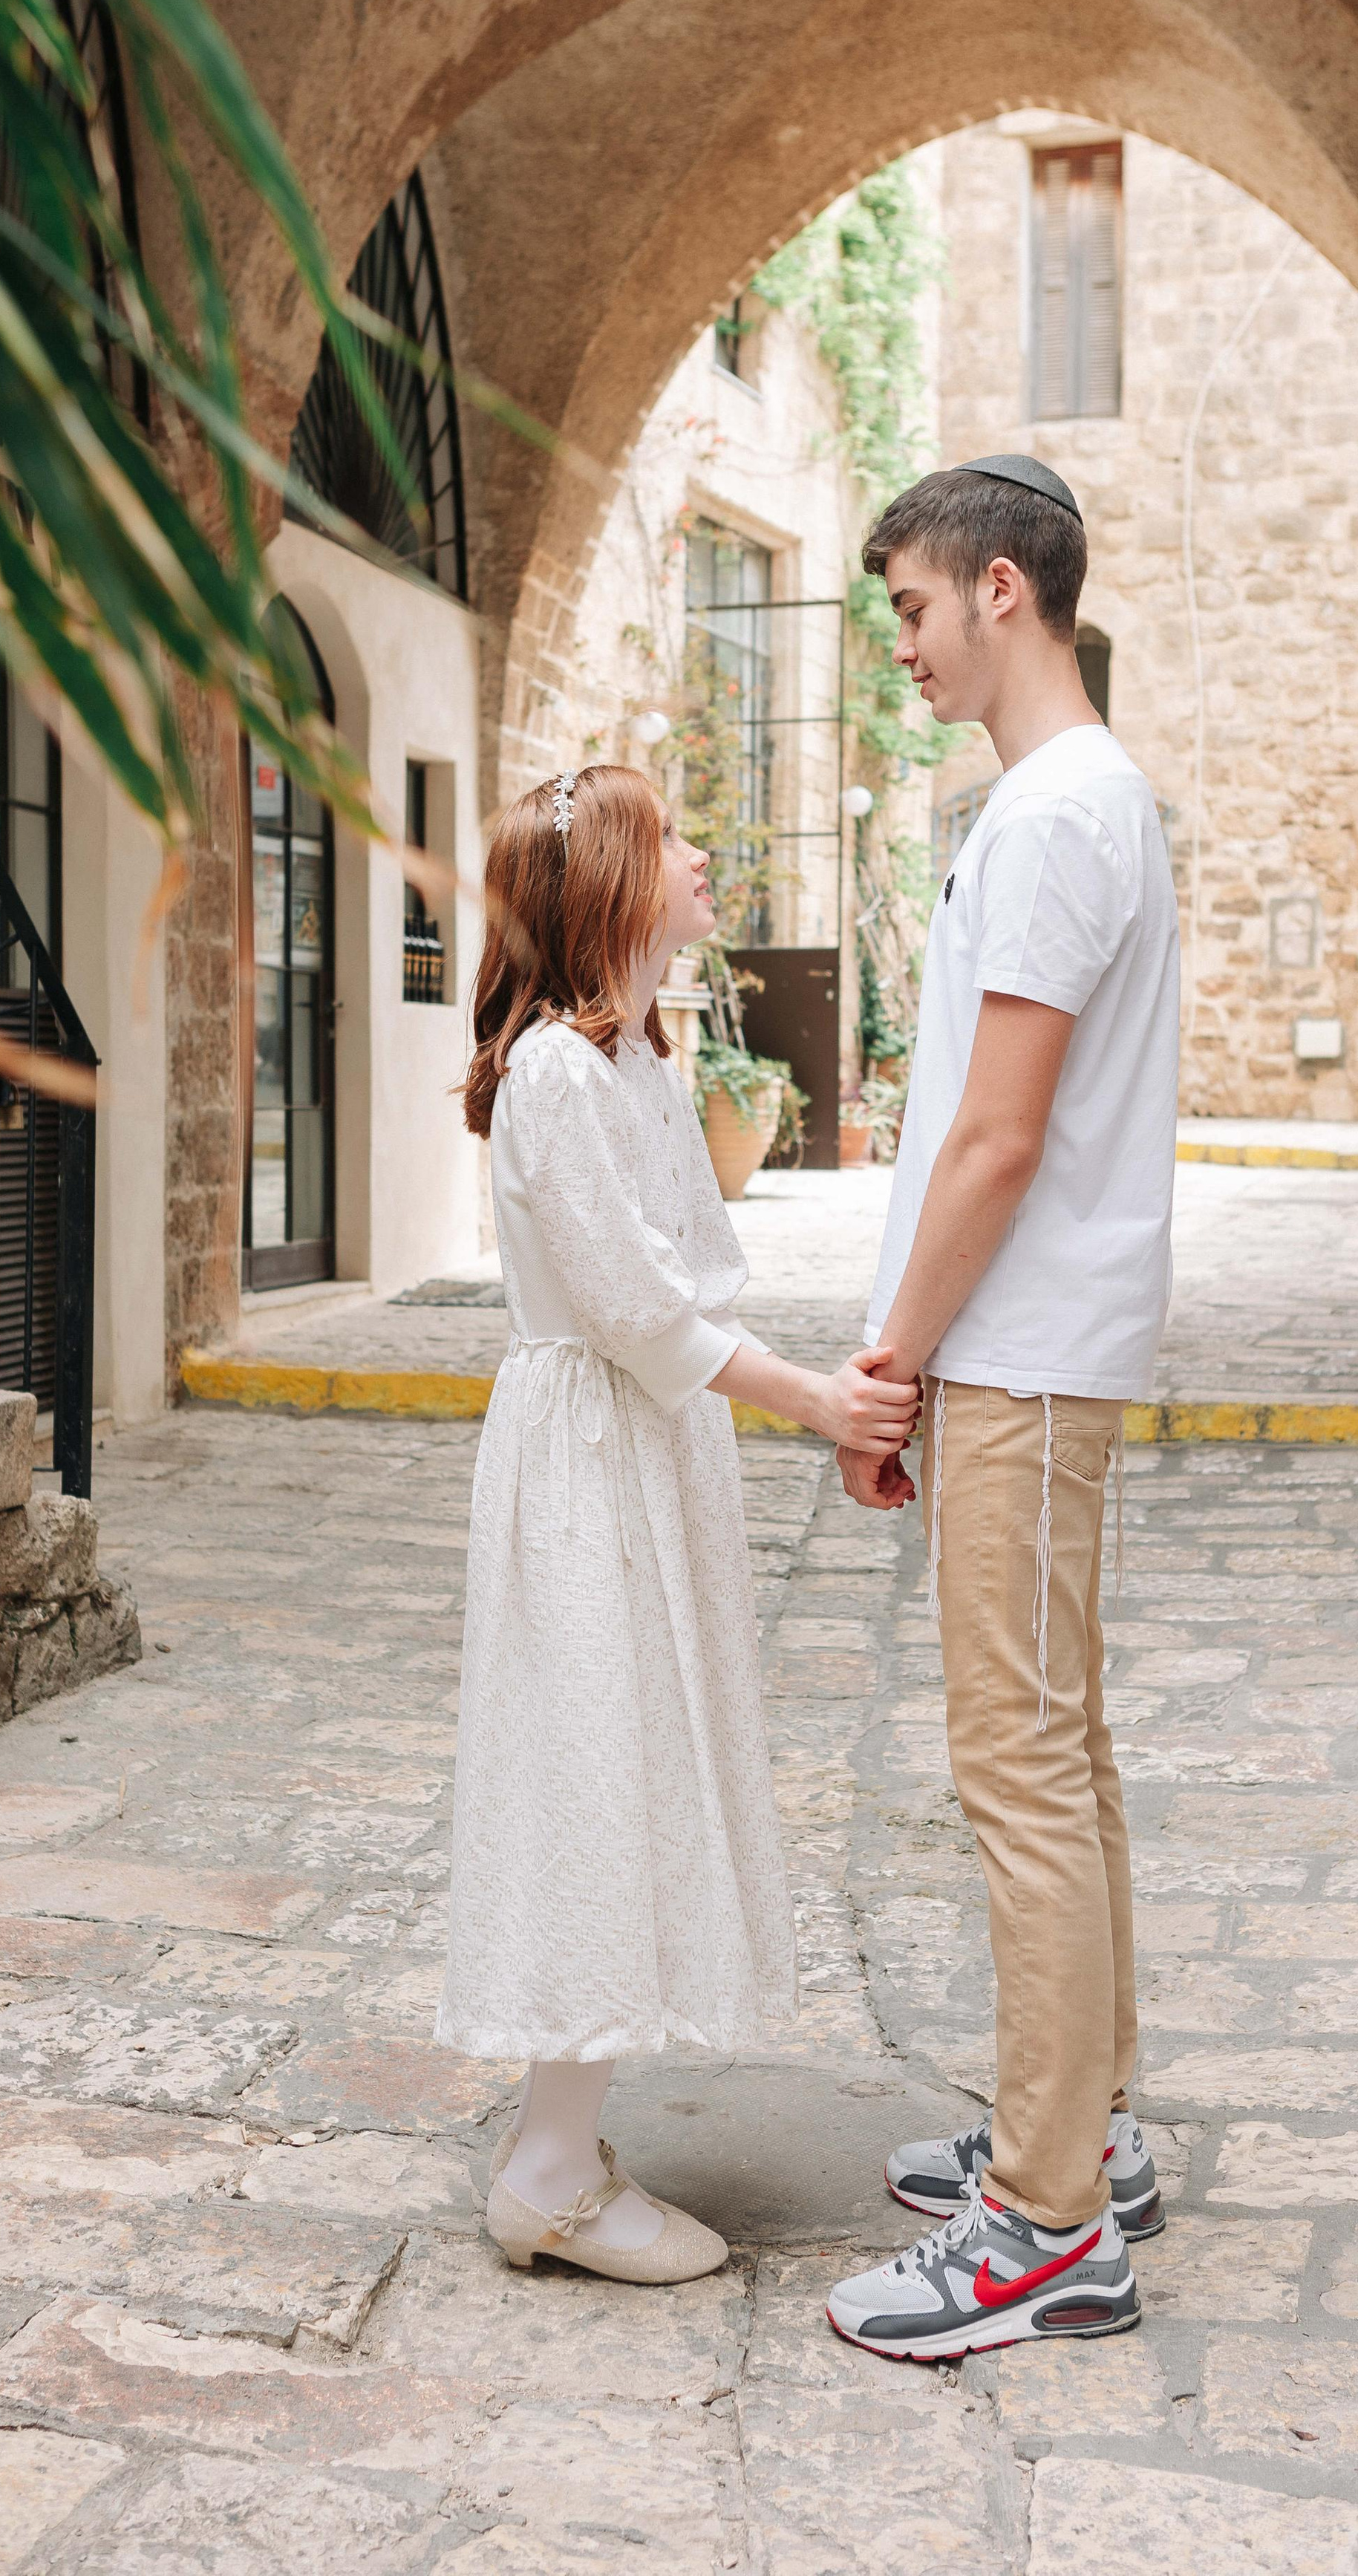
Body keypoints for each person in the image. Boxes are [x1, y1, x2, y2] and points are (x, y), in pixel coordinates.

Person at [437, 762, 919, 2284]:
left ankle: (562, 2139)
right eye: (675, 840)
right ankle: (549, 2170)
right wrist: (817, 1406)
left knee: (632, 1765)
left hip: (651, 1452)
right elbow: (639, 1316)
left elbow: (691, 1274)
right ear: (613, 892)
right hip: (590, 1454)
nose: (707, 857)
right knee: (591, 1762)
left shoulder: (638, 1059)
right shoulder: (552, 1081)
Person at [822, 457, 1180, 2362]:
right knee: (1066, 1747)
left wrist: (887, 1371)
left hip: (1019, 1352)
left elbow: (995, 1135)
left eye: (905, 608)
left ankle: (1046, 2225)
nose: (896, 644)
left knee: (1018, 1769)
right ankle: (1083, 2134)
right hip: (1034, 1352)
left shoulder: (1054, 814)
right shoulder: (1065, 802)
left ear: (999, 595)